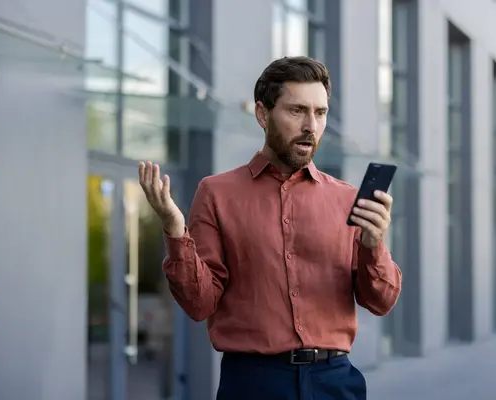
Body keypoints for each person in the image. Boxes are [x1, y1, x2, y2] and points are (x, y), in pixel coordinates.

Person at [138, 56, 402, 400]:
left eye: (320, 113)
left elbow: (380, 301)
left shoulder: (346, 199)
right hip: (253, 383)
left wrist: (374, 243)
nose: (311, 125)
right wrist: (175, 230)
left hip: (334, 383)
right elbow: (199, 304)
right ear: (263, 114)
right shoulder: (217, 193)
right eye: (297, 111)